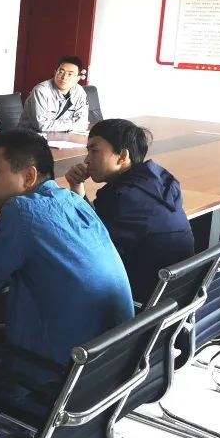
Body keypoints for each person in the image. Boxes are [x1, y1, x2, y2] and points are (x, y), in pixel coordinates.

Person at [0, 129, 133, 430]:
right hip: (108, 368)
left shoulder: (20, 210)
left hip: (61, 379)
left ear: (29, 176)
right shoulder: (71, 199)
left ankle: (16, 423)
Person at [66, 119, 194, 304]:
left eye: (94, 151)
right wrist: (77, 189)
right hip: (175, 299)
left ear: (122, 156)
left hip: (143, 306)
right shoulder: (157, 182)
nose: (87, 159)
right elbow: (95, 228)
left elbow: (87, 247)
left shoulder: (124, 198)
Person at [20, 55, 90, 133]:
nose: (64, 77)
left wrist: (76, 125)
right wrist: (73, 125)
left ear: (78, 78)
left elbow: (83, 122)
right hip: (30, 136)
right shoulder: (41, 91)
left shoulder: (79, 92)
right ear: (55, 73)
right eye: (61, 72)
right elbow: (41, 125)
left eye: (70, 74)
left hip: (61, 136)